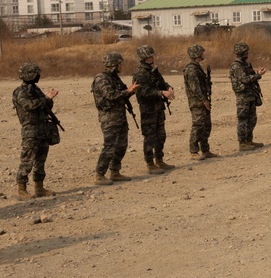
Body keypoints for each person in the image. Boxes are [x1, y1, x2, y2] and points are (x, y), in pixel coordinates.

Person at [12, 62, 60, 199]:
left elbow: (46, 107)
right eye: (36, 73)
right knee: (27, 160)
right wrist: (46, 98)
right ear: (30, 75)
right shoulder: (20, 92)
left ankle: (39, 187)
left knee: (41, 160)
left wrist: (49, 99)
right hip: (31, 130)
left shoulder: (35, 89)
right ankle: (21, 189)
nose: (38, 76)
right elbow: (29, 105)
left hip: (43, 128)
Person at [92, 52, 139, 185]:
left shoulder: (115, 78)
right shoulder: (102, 78)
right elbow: (111, 96)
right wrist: (128, 91)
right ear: (113, 65)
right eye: (119, 64)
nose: (121, 66)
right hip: (109, 118)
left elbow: (122, 96)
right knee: (109, 147)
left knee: (121, 146)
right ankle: (100, 175)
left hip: (120, 117)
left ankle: (115, 172)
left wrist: (131, 91)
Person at [133, 45, 176, 174]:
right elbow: (144, 92)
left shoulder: (154, 71)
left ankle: (159, 160)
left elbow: (162, 83)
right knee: (150, 137)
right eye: (150, 56)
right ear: (144, 58)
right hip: (148, 110)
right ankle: (150, 163)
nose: (152, 58)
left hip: (158, 108)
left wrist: (168, 88)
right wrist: (161, 93)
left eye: (152, 55)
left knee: (161, 135)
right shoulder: (140, 74)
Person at [229, 42, 266, 151]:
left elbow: (251, 77)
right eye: (246, 52)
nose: (248, 53)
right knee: (243, 120)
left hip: (250, 95)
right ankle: (242, 143)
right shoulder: (236, 66)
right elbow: (245, 79)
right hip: (243, 96)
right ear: (241, 53)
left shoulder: (246, 64)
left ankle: (249, 140)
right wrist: (258, 75)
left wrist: (257, 74)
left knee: (252, 119)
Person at [183, 44, 217, 159]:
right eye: (201, 53)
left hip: (202, 100)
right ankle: (193, 151)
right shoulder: (191, 69)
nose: (203, 55)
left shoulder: (196, 67)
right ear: (197, 54)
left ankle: (205, 149)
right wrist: (204, 100)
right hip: (197, 102)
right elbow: (195, 87)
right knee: (198, 125)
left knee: (206, 125)